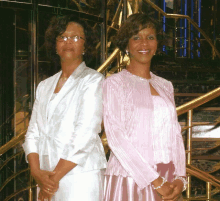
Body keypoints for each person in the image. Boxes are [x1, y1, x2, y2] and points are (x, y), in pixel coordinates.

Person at [102, 13, 187, 201]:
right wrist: (155, 181)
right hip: (131, 180)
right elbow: (116, 138)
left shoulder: (165, 85)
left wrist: (181, 178)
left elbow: (175, 134)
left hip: (169, 179)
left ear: (157, 44)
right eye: (136, 38)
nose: (144, 44)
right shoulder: (114, 83)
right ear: (126, 45)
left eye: (150, 37)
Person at [22, 15, 107, 201]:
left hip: (80, 175)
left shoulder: (93, 80)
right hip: (45, 176)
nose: (68, 42)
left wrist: (52, 180)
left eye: (76, 37)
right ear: (55, 44)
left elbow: (85, 134)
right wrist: (37, 173)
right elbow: (32, 133)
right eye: (62, 37)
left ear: (86, 46)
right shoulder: (44, 85)